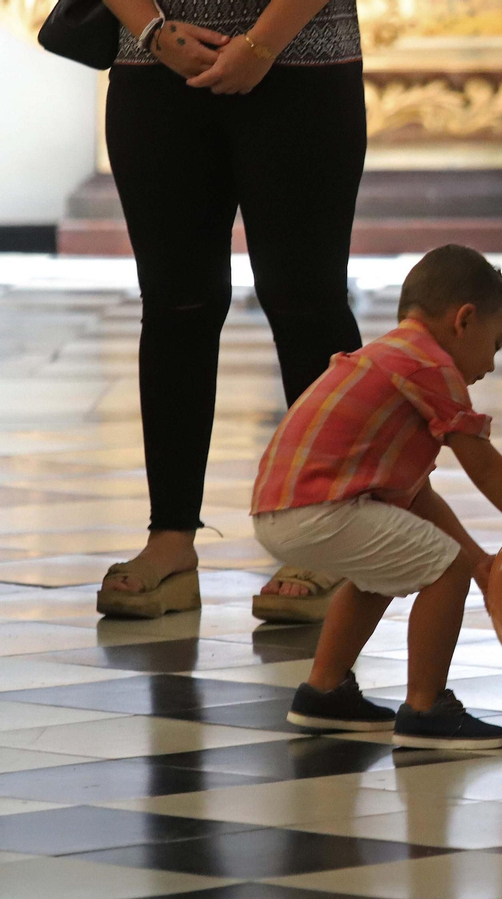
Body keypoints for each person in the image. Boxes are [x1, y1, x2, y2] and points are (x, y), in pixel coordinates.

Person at [251, 245, 502, 749]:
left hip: (282, 508)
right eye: (496, 344)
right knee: (445, 568)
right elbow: (486, 467)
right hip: (318, 508)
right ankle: (425, 707)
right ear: (464, 320)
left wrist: (481, 562)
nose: (492, 364)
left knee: (383, 573)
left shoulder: (390, 357)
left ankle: (324, 692)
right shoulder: (429, 366)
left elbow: (418, 498)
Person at [94, 0, 365, 620]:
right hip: (154, 66)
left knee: (306, 301)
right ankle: (170, 541)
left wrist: (263, 42)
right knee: (175, 304)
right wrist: (152, 32)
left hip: (302, 60)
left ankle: (331, 539)